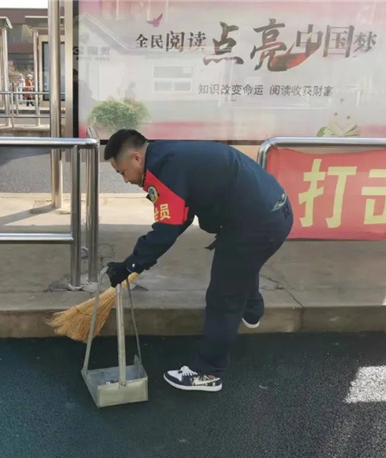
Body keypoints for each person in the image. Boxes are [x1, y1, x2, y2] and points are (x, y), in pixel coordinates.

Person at [104, 129, 293, 392]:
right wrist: (136, 262)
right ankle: (251, 309)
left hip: (256, 225)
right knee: (239, 266)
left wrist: (131, 265)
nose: (125, 180)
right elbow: (180, 217)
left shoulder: (162, 172)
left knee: (223, 295)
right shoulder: (168, 154)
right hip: (276, 211)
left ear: (136, 158)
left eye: (122, 172)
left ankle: (207, 372)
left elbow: (166, 232)